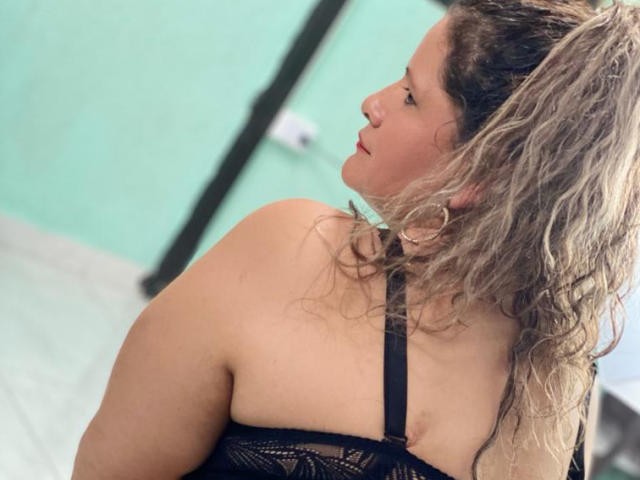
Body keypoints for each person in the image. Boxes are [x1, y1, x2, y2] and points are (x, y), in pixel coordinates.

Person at [71, 0, 640, 479]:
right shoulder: (561, 373)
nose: (374, 102)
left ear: (482, 172)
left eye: (411, 95)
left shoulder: (293, 251)